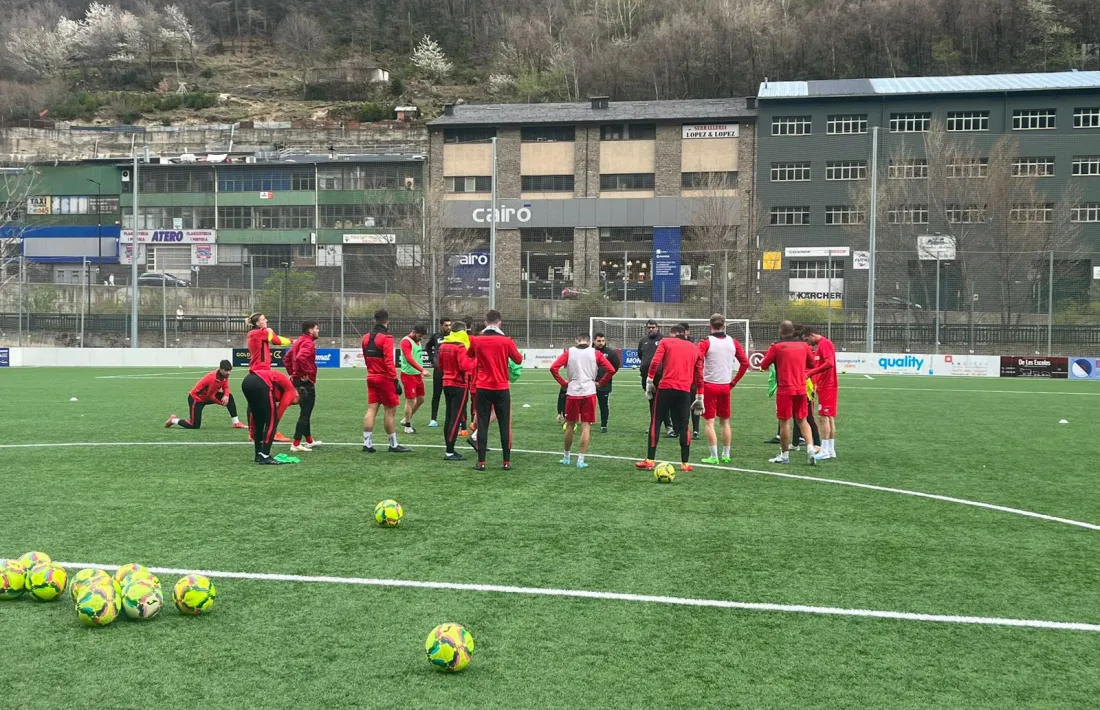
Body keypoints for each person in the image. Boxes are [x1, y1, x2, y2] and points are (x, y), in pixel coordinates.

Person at [635, 324, 704, 473]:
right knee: (684, 425)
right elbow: (699, 374)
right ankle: (685, 463)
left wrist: (649, 381)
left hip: (665, 387)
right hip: (684, 391)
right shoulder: (695, 348)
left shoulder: (665, 342)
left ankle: (650, 460)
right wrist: (700, 396)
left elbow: (655, 362)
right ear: (684, 333)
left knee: (656, 420)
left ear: (672, 334)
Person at [466, 309, 523, 471]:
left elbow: (470, 355)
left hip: (483, 387)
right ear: (500, 322)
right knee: (505, 424)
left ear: (485, 323)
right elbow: (518, 359)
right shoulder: (507, 341)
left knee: (482, 424)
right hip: (501, 387)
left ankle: (481, 462)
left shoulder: (477, 340)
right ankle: (506, 461)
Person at [550, 334, 616, 469]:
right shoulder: (595, 353)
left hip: (573, 392)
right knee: (586, 426)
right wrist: (601, 383)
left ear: (576, 340)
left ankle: (566, 457)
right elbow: (611, 369)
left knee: (570, 425)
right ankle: (580, 460)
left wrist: (563, 383)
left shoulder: (569, 352)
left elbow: (553, 368)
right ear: (590, 341)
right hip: (589, 392)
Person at [759, 321, 818, 465]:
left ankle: (784, 455)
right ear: (793, 331)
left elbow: (763, 365)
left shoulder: (776, 347)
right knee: (802, 420)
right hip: (800, 388)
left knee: (784, 422)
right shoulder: (804, 346)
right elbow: (811, 364)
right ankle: (810, 448)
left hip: (785, 389)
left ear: (781, 331)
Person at [698, 314, 750, 464]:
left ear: (710, 326)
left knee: (709, 422)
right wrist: (733, 382)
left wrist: (698, 382)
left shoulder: (706, 342)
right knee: (725, 422)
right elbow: (745, 363)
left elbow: (698, 362)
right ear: (724, 325)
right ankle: (726, 454)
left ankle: (714, 456)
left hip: (709, 385)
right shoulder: (733, 342)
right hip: (725, 386)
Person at [361, 309, 410, 454]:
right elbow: (389, 361)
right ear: (387, 321)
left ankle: (367, 444)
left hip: (371, 376)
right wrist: (395, 380)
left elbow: (365, 358)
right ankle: (393, 444)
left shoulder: (365, 337)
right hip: (385, 378)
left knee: (371, 410)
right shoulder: (387, 338)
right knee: (390, 411)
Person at [245, 312, 292, 443]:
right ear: (258, 323)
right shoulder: (261, 332)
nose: (266, 321)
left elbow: (273, 338)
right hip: (263, 372)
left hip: (256, 371)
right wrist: (294, 341)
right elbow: (277, 341)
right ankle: (273, 431)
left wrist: (269, 332)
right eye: (264, 319)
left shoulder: (254, 333)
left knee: (253, 403)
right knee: (277, 398)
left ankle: (252, 433)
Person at [165, 360, 245, 430]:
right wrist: (222, 403)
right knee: (194, 425)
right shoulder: (213, 378)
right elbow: (209, 397)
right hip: (196, 399)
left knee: (229, 397)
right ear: (220, 369)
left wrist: (226, 396)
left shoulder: (224, 375)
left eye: (230, 370)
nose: (229, 373)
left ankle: (236, 423)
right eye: (226, 370)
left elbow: (226, 386)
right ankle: (173, 420)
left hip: (207, 396)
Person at [242, 366, 299, 465]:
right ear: (297, 396)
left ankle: (258, 454)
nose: (290, 404)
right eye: (293, 403)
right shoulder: (292, 392)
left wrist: (251, 431)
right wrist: (273, 423)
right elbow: (279, 412)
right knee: (272, 421)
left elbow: (252, 415)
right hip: (261, 382)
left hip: (247, 381)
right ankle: (265, 456)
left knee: (259, 420)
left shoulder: (281, 388)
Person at [438, 321, 475, 461]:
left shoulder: (443, 346)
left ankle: (449, 448)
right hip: (459, 384)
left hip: (446, 382)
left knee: (449, 417)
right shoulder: (460, 347)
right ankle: (450, 451)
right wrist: (476, 360)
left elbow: (440, 365)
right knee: (456, 417)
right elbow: (465, 366)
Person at [286, 320, 322, 453]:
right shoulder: (308, 343)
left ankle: (309, 441)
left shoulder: (299, 341)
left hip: (297, 380)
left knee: (305, 411)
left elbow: (287, 358)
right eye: (317, 328)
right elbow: (301, 358)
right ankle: (295, 443)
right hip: (305, 383)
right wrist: (306, 373)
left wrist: (292, 373)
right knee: (305, 413)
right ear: (310, 330)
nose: (318, 331)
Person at [804, 326, 839, 460]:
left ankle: (825, 450)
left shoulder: (825, 344)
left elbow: (829, 363)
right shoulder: (820, 346)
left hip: (828, 386)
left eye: (807, 339)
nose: (808, 343)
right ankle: (830, 450)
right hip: (824, 385)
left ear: (812, 335)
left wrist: (810, 373)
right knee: (828, 417)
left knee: (824, 417)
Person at [636, 320, 672, 436]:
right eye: (649, 327)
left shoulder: (664, 340)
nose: (650, 329)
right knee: (651, 402)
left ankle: (669, 427)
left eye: (652, 327)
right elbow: (641, 356)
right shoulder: (643, 341)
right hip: (646, 377)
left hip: (661, 377)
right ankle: (654, 425)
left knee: (663, 402)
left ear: (658, 328)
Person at [398, 324, 429, 434]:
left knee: (420, 400)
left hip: (417, 375)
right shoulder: (405, 341)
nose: (421, 338)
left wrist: (420, 371)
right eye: (420, 336)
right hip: (408, 375)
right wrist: (422, 370)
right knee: (411, 401)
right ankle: (407, 425)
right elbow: (409, 358)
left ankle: (406, 419)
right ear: (414, 332)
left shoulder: (417, 341)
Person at [424, 318, 452, 428]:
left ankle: (452, 418)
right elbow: (427, 347)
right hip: (439, 371)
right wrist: (432, 359)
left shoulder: (454, 336)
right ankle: (433, 419)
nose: (448, 327)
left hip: (450, 371)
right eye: (446, 325)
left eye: (450, 325)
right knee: (436, 395)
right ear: (441, 326)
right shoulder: (436, 336)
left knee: (449, 396)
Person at [678, 322, 702, 439]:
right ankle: (682, 428)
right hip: (679, 380)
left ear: (687, 332)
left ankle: (696, 430)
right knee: (681, 406)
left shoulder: (693, 345)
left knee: (694, 404)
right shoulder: (676, 345)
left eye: (683, 331)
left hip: (691, 380)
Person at [592, 333, 620, 433]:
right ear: (594, 341)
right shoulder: (589, 352)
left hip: (604, 384)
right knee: (587, 403)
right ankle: (588, 421)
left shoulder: (610, 353)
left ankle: (604, 425)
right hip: (589, 383)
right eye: (599, 341)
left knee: (603, 405)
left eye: (603, 341)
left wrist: (606, 378)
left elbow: (615, 367)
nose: (601, 343)